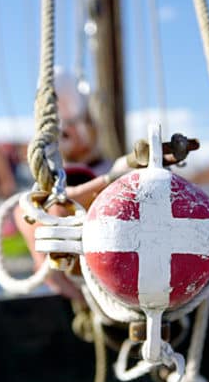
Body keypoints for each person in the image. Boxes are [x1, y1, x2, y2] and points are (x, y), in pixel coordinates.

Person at [14, 68, 129, 300]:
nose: (71, 132)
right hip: (77, 297)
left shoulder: (121, 170)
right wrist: (108, 181)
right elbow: (50, 211)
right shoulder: (34, 201)